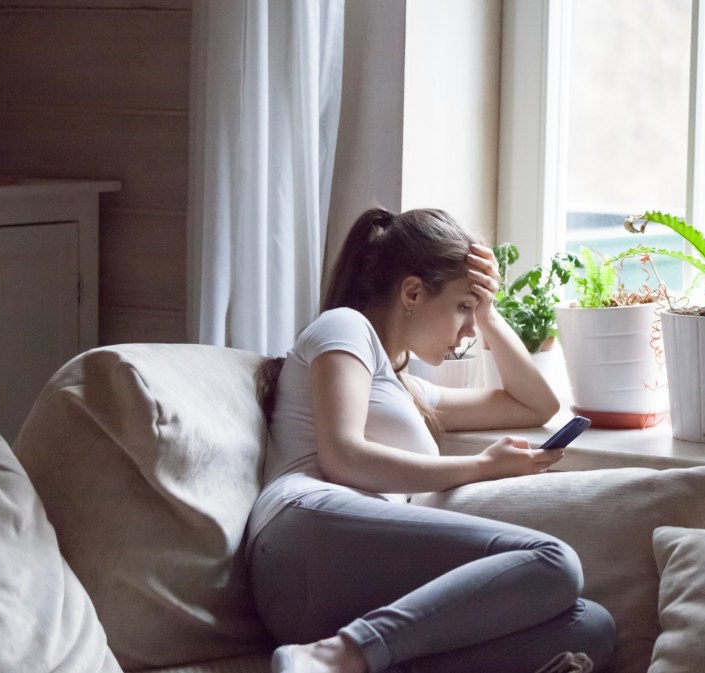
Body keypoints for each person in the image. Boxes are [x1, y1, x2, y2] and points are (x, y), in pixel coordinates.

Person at [247, 207, 616, 673]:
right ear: (413, 292)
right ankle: (330, 657)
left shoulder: (409, 389)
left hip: (347, 585)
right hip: (302, 535)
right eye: (462, 307)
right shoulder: (344, 327)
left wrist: (489, 315)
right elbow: (343, 458)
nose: (467, 332)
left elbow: (537, 406)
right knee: (553, 560)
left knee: (591, 628)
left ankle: (355, 657)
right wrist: (483, 466)